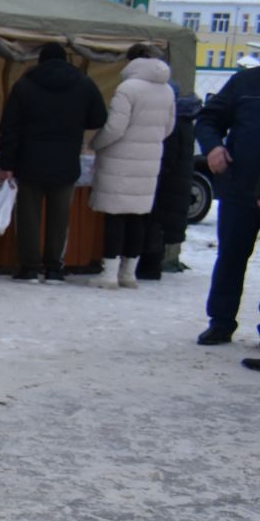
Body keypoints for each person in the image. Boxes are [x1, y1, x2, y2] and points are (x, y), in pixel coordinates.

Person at [0, 42, 107, 282]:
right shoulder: (84, 84)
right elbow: (99, 117)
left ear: (40, 61)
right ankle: (54, 267)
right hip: (66, 160)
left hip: (30, 160)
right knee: (60, 218)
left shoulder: (24, 85)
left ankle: (29, 267)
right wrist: (77, 122)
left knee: (28, 216)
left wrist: (6, 163)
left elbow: (9, 127)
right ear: (66, 61)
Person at [87, 44, 175, 289]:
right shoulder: (167, 89)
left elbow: (115, 128)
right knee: (137, 217)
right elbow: (168, 127)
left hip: (120, 159)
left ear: (131, 61)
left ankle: (108, 274)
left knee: (115, 216)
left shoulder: (128, 88)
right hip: (150, 159)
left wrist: (95, 143)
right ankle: (129, 274)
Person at [196, 63, 260, 344]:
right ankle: (221, 322)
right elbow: (208, 119)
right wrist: (213, 146)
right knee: (231, 257)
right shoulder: (245, 83)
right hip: (240, 189)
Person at [141, 89, 200, 280]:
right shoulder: (186, 122)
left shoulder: (175, 124)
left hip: (167, 185)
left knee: (156, 224)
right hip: (177, 184)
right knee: (162, 226)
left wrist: (153, 172)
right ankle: (152, 265)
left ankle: (149, 267)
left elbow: (167, 158)